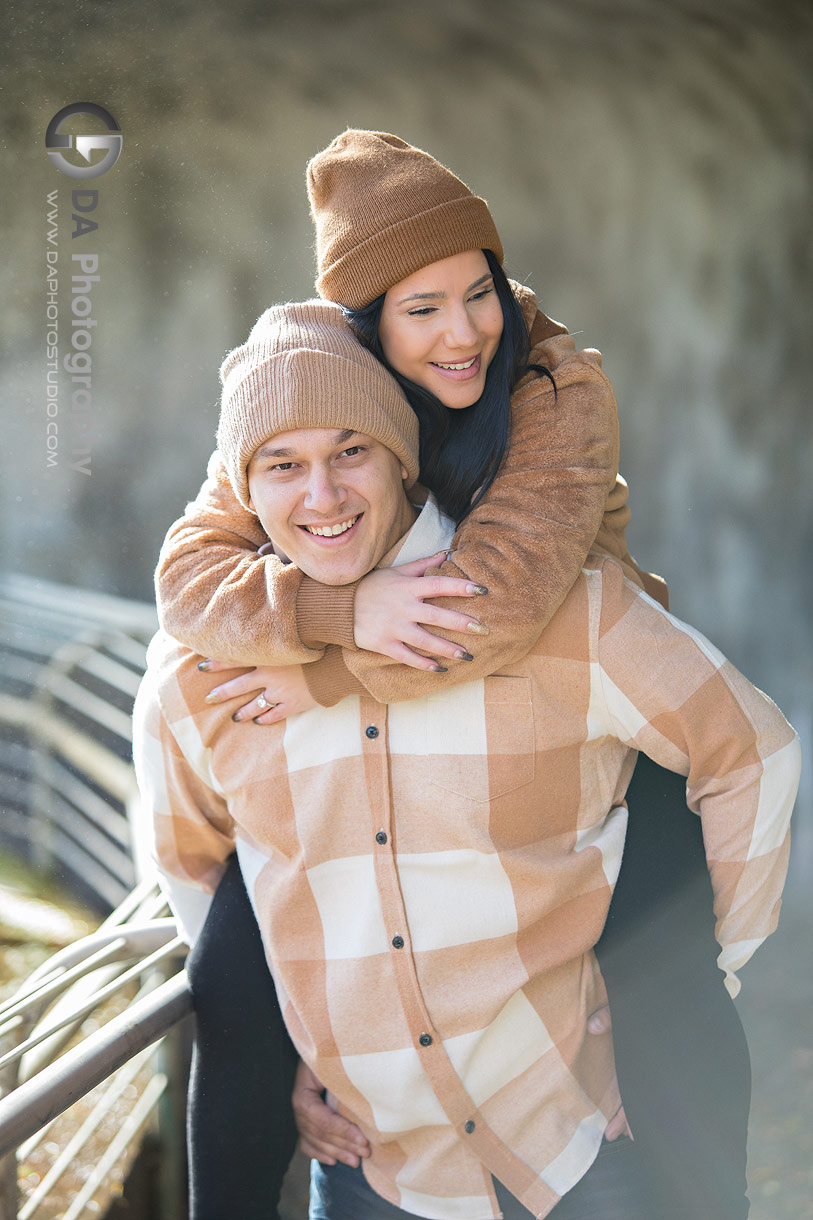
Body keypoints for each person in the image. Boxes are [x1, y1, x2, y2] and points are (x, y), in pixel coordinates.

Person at [154, 131, 757, 1216]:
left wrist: (326, 673)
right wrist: (328, 609)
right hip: (400, 671)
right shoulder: (314, 392)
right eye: (420, 306)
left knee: (668, 996)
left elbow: (496, 605)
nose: (464, 328)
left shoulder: (550, 385)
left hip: (571, 690)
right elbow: (190, 573)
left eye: (476, 291)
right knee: (233, 984)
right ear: (367, 326)